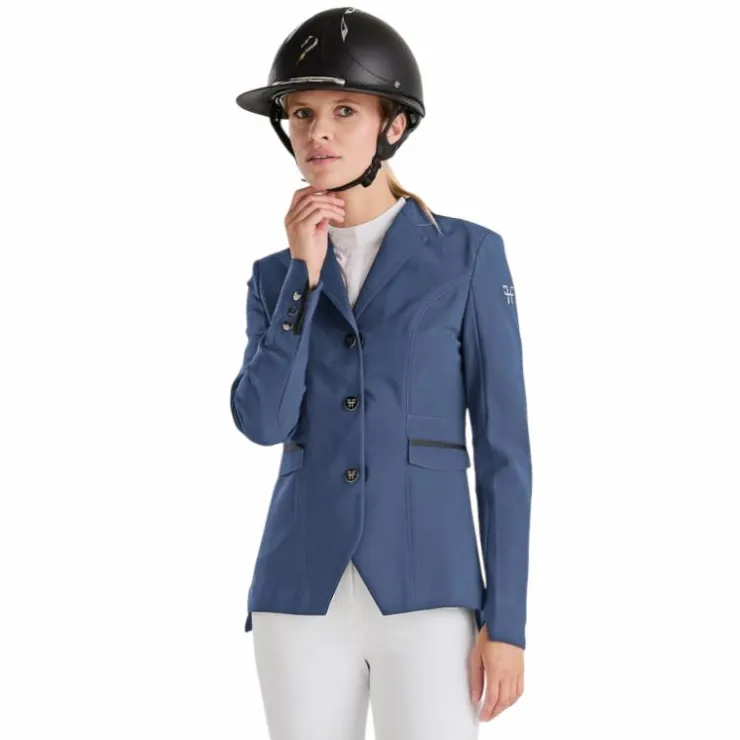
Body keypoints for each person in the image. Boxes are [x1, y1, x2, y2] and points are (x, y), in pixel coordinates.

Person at [230, 7, 533, 739]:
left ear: (392, 126)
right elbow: (262, 421)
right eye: (301, 113)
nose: (318, 132)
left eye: (344, 111)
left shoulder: (467, 256)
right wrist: (303, 278)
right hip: (299, 594)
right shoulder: (275, 276)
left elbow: (504, 451)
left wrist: (508, 622)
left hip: (429, 591)